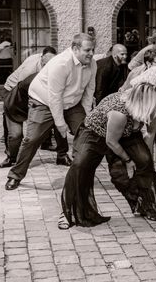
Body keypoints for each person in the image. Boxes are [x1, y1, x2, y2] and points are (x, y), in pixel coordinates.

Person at [60, 83, 156, 228]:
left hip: (127, 134)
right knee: (80, 165)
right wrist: (128, 160)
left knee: (144, 161)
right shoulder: (119, 112)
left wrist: (144, 159)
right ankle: (68, 213)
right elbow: (111, 142)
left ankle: (144, 204)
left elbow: (150, 133)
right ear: (142, 103)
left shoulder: (150, 108)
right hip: (95, 134)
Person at [5, 33, 97, 190]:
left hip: (71, 103)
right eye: (88, 50)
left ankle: (79, 173)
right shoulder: (61, 63)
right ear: (75, 48)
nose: (91, 54)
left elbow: (89, 92)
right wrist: (60, 124)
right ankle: (15, 175)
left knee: (86, 131)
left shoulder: (92, 64)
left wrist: (87, 116)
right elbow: (54, 96)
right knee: (32, 139)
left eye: (93, 50)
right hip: (43, 101)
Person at [0, 51, 57, 168]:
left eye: (52, 65)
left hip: (30, 97)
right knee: (15, 134)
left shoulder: (53, 68)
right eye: (46, 65)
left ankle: (47, 143)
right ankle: (11, 157)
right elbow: (22, 91)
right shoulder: (29, 73)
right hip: (13, 95)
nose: (49, 69)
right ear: (41, 60)